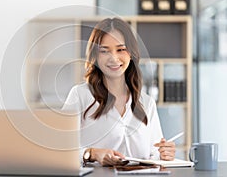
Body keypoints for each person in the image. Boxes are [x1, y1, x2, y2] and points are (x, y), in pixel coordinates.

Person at [62, 17, 175, 166]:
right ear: (95, 56)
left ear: (131, 54)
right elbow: (60, 148)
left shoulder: (146, 102)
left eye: (121, 49)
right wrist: (92, 154)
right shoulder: (80, 95)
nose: (114, 58)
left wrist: (164, 154)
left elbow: (153, 154)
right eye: (104, 51)